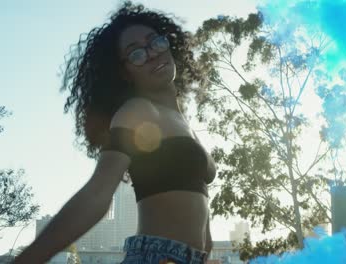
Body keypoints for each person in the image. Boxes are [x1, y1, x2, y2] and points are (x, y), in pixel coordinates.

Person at [14, 1, 216, 263]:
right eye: (136, 53)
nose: (152, 53)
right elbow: (97, 193)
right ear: (124, 72)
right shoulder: (138, 111)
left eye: (154, 41)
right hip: (157, 256)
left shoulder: (181, 121)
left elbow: (199, 207)